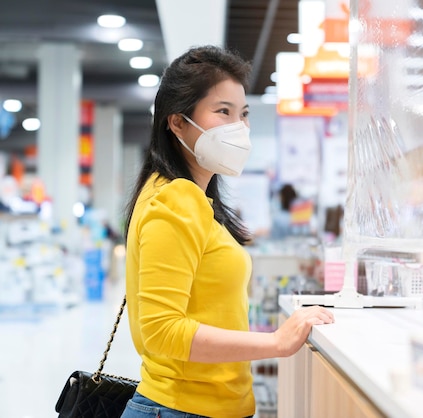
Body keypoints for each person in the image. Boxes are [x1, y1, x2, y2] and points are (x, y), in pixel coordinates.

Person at [121, 45, 335, 418]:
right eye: (223, 112)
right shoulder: (175, 199)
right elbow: (161, 330)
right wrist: (275, 342)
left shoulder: (190, 198)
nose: (240, 127)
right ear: (177, 122)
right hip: (180, 408)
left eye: (244, 114)